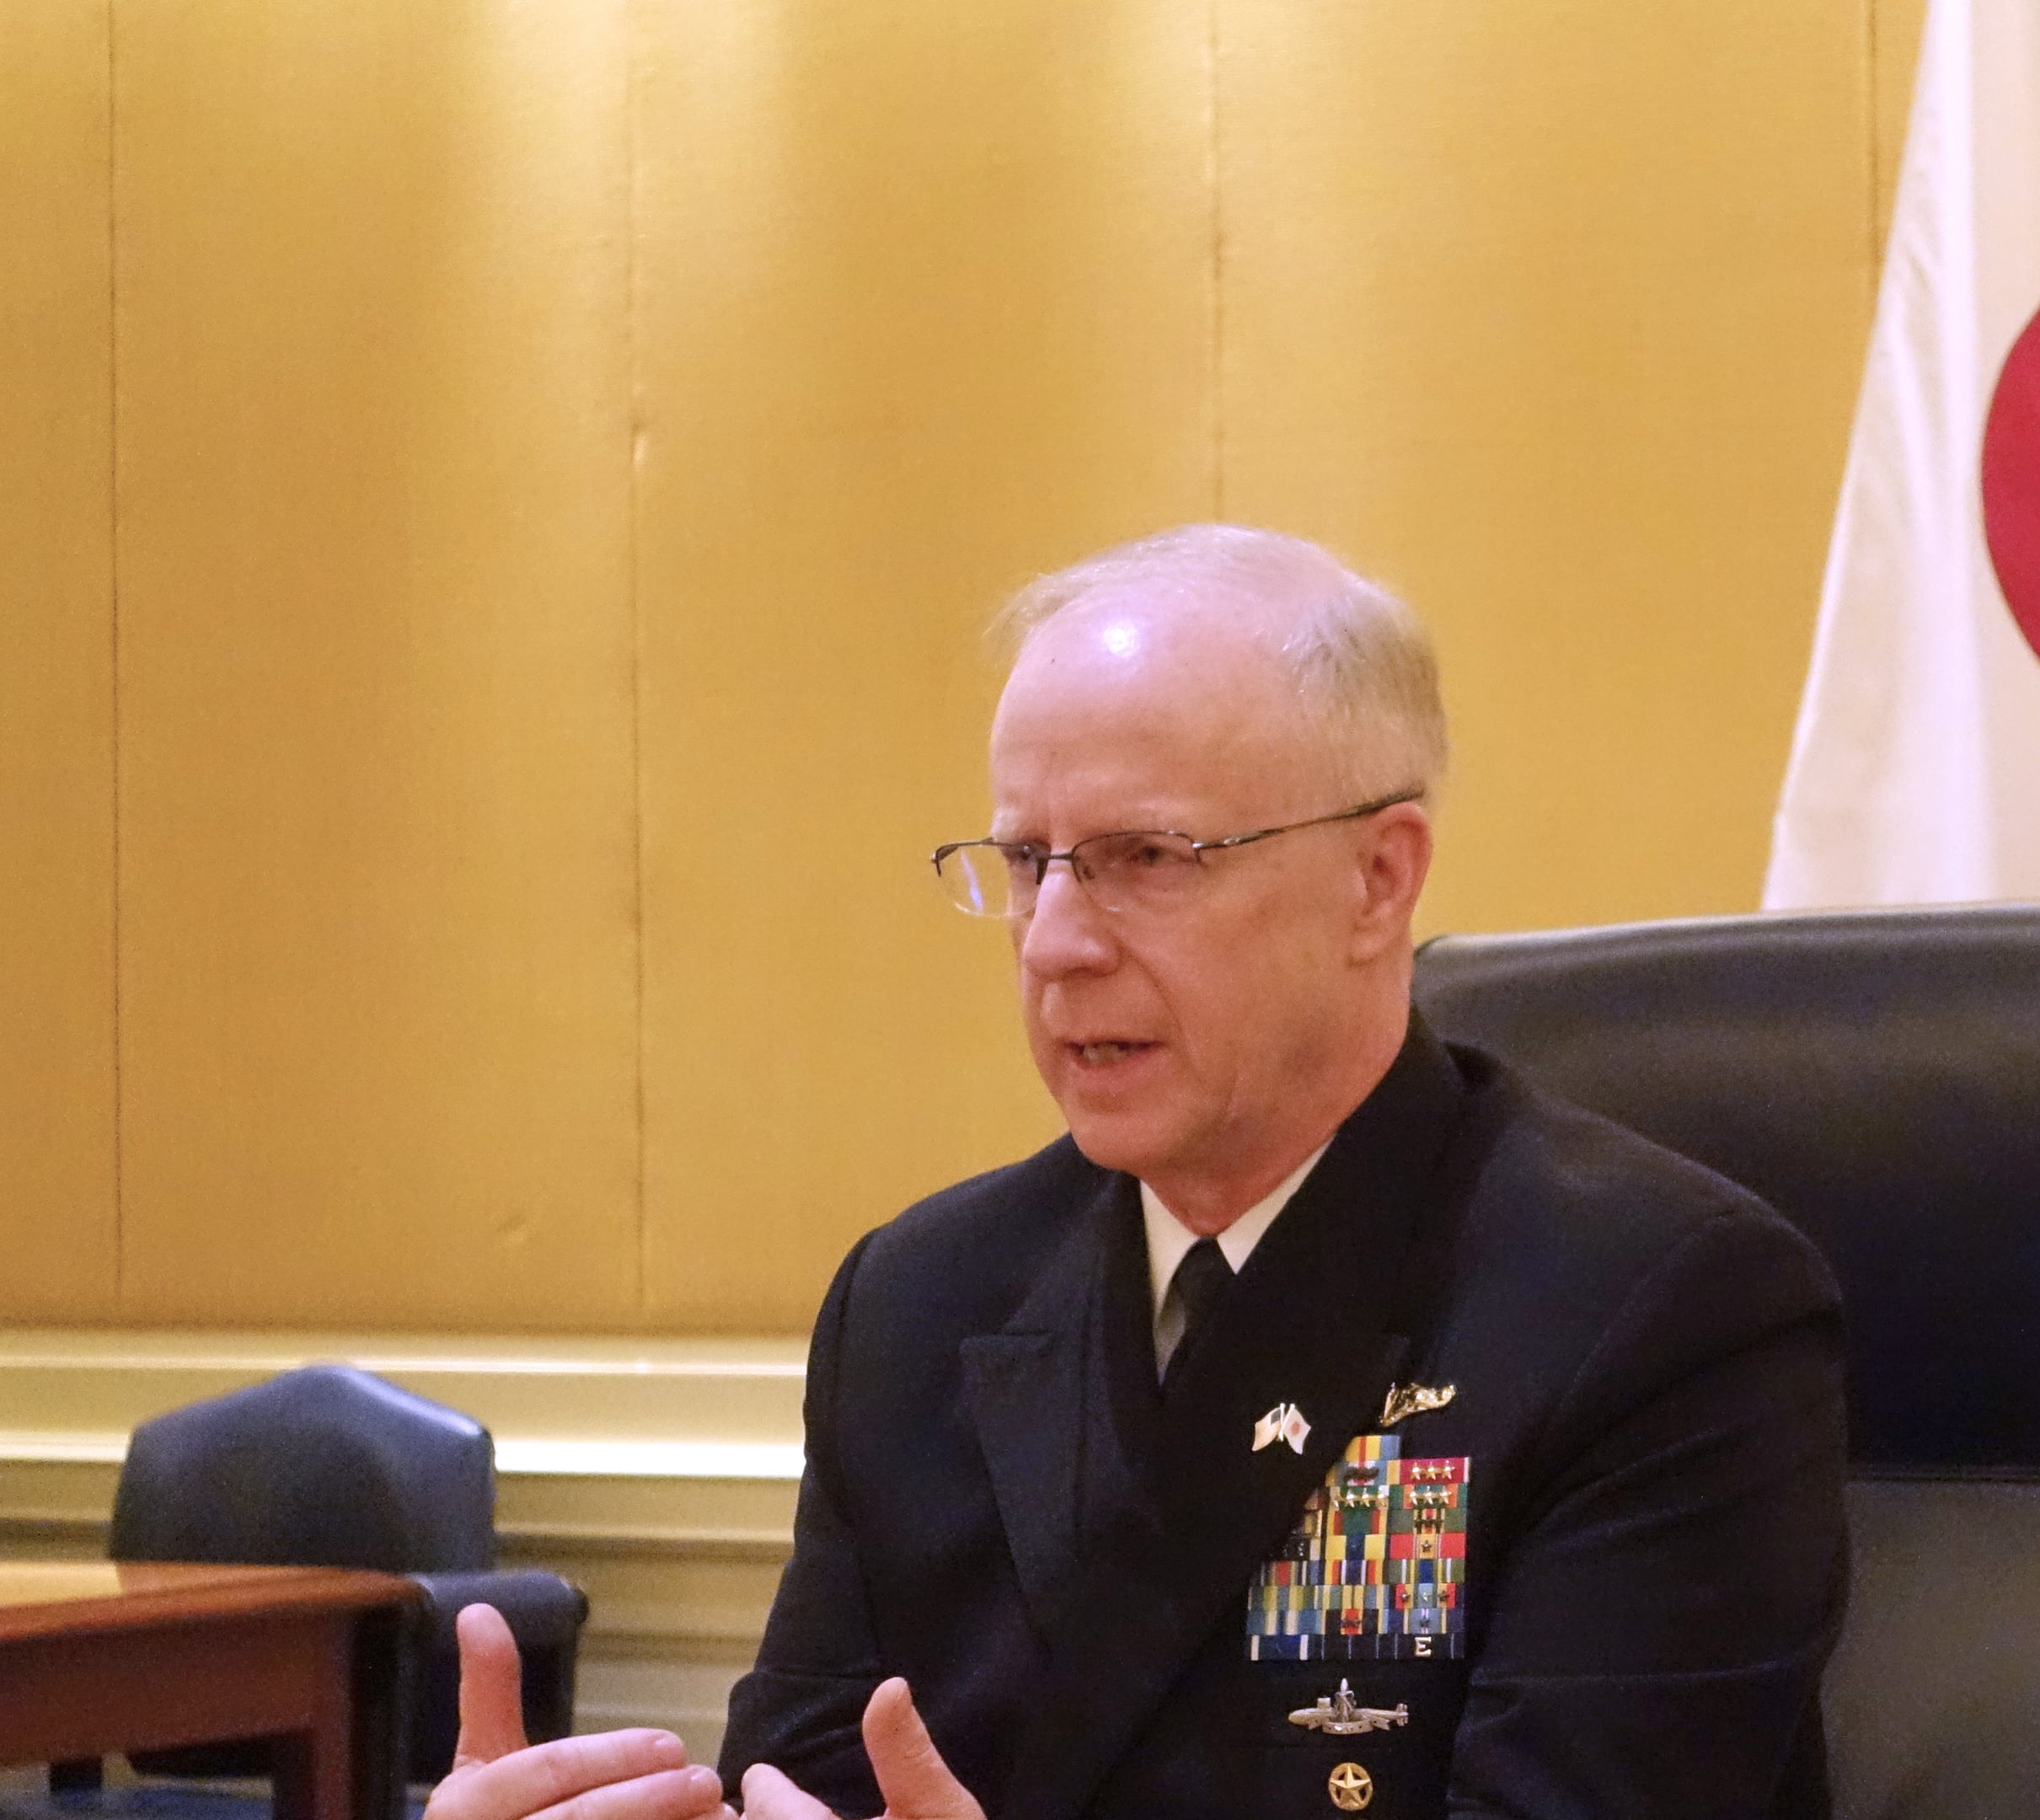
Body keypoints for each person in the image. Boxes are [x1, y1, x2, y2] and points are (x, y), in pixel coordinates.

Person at [427, 526, 1849, 1820]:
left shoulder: (1654, 1312)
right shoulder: (921, 1300)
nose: (1054, 941)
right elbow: (801, 1791)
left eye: (1146, 858)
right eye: (1026, 860)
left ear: (1379, 881)